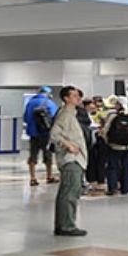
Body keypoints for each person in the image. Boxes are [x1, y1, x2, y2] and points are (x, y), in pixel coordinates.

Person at [50, 86, 88, 237]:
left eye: (79, 95)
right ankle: (67, 225)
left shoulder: (73, 114)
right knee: (70, 193)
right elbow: (54, 134)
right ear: (66, 98)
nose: (78, 98)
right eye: (74, 96)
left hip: (76, 159)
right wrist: (69, 145)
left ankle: (63, 224)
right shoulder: (65, 114)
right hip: (71, 160)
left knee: (69, 192)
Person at [101, 98, 128, 196]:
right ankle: (125, 188)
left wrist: (107, 141)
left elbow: (105, 130)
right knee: (126, 167)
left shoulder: (112, 116)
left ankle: (112, 188)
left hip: (114, 146)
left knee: (113, 166)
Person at [23, 86, 59, 187]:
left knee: (33, 155)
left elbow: (25, 118)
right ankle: (49, 176)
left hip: (33, 134)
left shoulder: (30, 103)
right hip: (46, 134)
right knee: (48, 155)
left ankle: (33, 178)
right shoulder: (50, 103)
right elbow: (55, 118)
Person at [83, 98, 106, 193]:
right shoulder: (84, 115)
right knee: (92, 162)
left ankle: (96, 181)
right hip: (90, 141)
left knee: (96, 161)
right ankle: (93, 181)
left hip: (94, 141)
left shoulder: (92, 114)